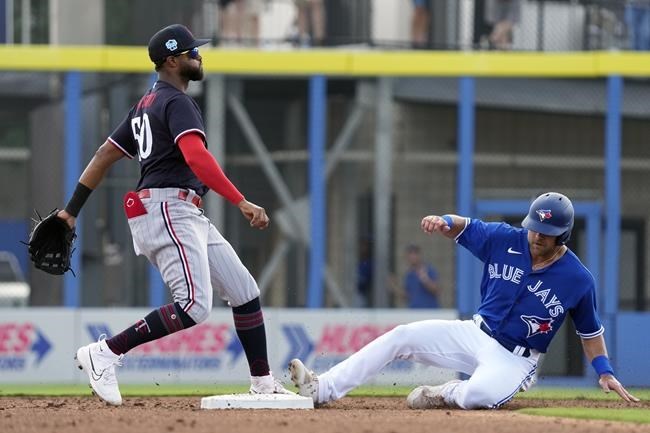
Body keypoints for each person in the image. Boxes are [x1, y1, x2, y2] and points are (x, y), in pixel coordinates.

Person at [60, 24, 292, 406]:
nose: (199, 56)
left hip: (182, 209)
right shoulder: (176, 101)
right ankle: (105, 353)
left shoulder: (145, 105)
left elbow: (103, 154)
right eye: (191, 52)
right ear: (172, 60)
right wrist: (241, 201)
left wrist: (71, 212)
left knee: (244, 290)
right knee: (194, 306)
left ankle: (263, 382)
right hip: (168, 207)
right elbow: (196, 157)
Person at [289, 192, 639, 409]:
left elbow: (590, 333)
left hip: (515, 359)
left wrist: (604, 372)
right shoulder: (506, 238)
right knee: (402, 336)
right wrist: (442, 221)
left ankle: (445, 394)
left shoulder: (578, 279)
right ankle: (323, 388)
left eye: (545, 233)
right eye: (533, 227)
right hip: (474, 332)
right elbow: (466, 224)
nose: (535, 235)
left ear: (562, 235)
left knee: (479, 396)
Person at [402, 244, 440, 309]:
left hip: (430, 311)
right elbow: (408, 296)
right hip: (414, 312)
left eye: (415, 254)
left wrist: (425, 279)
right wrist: (395, 287)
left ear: (419, 255)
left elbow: (437, 291)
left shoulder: (429, 270)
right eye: (410, 254)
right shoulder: (409, 274)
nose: (413, 257)